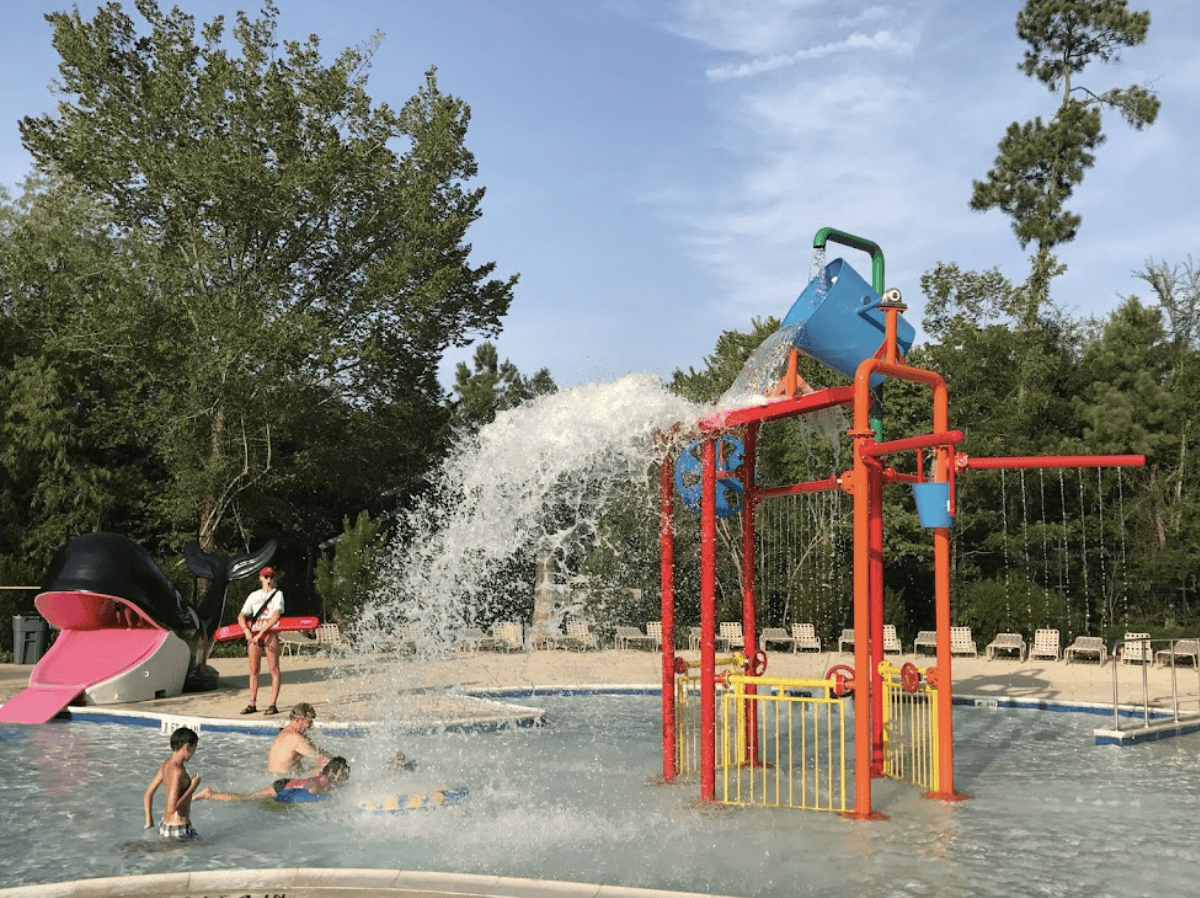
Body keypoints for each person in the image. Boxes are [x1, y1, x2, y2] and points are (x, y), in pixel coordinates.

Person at [197, 757, 350, 804]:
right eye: (344, 772)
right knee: (246, 799)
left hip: (287, 782)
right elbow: (311, 786)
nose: (346, 776)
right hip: (283, 787)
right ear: (336, 773)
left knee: (248, 798)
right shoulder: (323, 781)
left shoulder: (326, 777)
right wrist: (315, 794)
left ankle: (210, 794)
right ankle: (210, 794)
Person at [238, 565, 284, 714]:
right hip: (254, 632)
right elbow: (241, 615)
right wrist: (246, 630)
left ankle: (273, 704)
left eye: (271, 577)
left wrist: (261, 632)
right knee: (253, 670)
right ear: (260, 578)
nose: (268, 580)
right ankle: (252, 703)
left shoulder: (277, 594)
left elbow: (276, 615)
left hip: (270, 633)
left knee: (274, 669)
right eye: (266, 577)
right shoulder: (253, 595)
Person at [144, 726, 202, 839]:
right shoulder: (177, 771)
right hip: (179, 829)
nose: (194, 752)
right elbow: (171, 808)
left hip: (165, 826)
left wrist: (149, 820)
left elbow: (148, 793)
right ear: (187, 747)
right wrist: (193, 787)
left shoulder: (165, 765)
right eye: (195, 747)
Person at [267, 702, 331, 778]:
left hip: (277, 778)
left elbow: (318, 751)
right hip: (286, 782)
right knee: (330, 768)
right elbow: (323, 761)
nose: (311, 724)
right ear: (297, 719)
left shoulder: (284, 733)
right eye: (309, 720)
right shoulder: (296, 738)